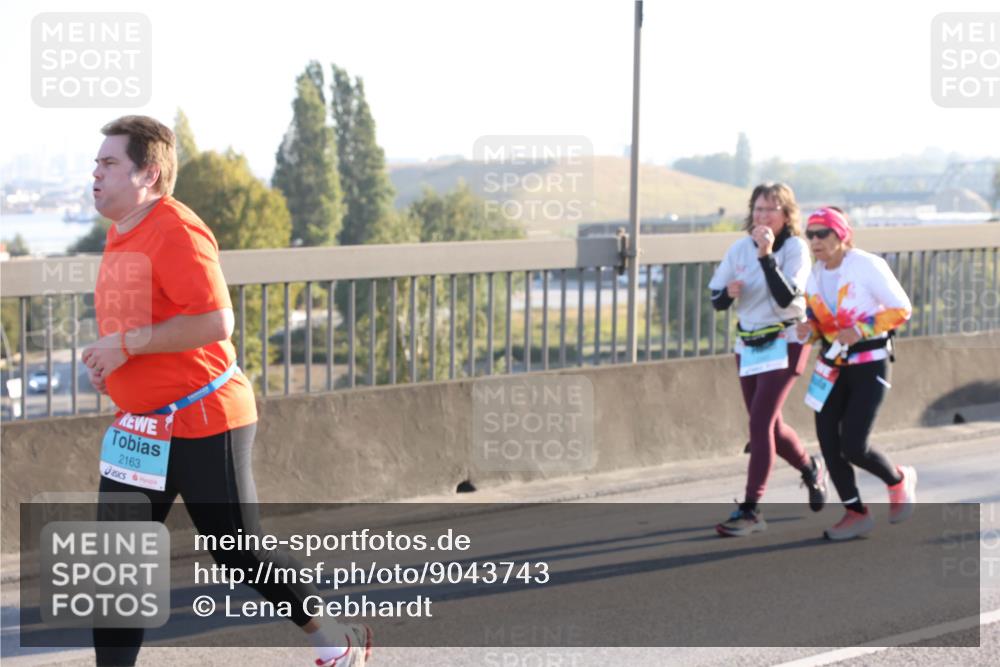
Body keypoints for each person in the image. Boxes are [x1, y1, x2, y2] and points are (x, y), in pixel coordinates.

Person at [81, 116, 370, 667]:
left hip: (202, 416)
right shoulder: (121, 233)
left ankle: (333, 637)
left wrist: (127, 346)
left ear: (150, 173)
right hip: (141, 429)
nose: (95, 173)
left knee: (237, 550)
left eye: (109, 163)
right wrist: (110, 364)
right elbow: (139, 328)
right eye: (96, 163)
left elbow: (217, 321)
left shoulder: (175, 229)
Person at [708, 183, 827, 537]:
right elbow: (716, 296)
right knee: (770, 425)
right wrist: (726, 295)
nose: (762, 216)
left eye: (770, 210)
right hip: (749, 344)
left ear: (786, 215)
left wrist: (766, 255)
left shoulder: (795, 249)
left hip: (786, 339)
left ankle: (751, 509)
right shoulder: (738, 248)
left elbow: (788, 297)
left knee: (759, 424)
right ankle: (810, 468)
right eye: (757, 209)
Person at [797, 206, 917, 541]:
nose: (816, 241)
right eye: (811, 234)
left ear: (842, 235)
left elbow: (902, 308)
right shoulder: (813, 275)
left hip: (869, 364)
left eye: (824, 233)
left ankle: (897, 480)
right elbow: (821, 325)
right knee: (828, 442)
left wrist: (862, 329)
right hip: (831, 367)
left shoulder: (866, 265)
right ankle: (855, 513)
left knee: (853, 445)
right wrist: (809, 329)